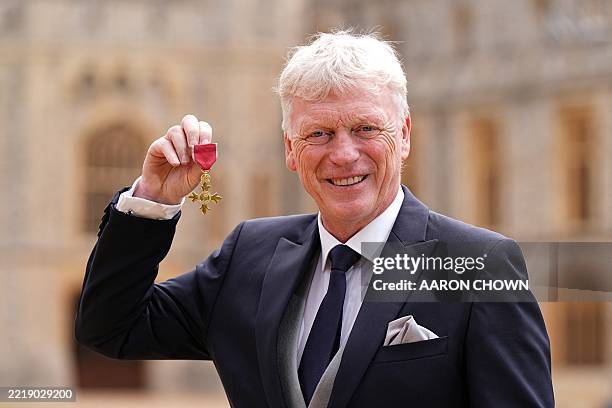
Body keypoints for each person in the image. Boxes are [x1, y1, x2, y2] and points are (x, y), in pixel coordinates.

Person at [75, 31, 554, 407]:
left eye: (365, 128)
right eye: (319, 134)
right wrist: (152, 201)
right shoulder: (249, 255)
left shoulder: (478, 264)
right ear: (290, 149)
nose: (343, 154)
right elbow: (111, 328)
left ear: (405, 135)